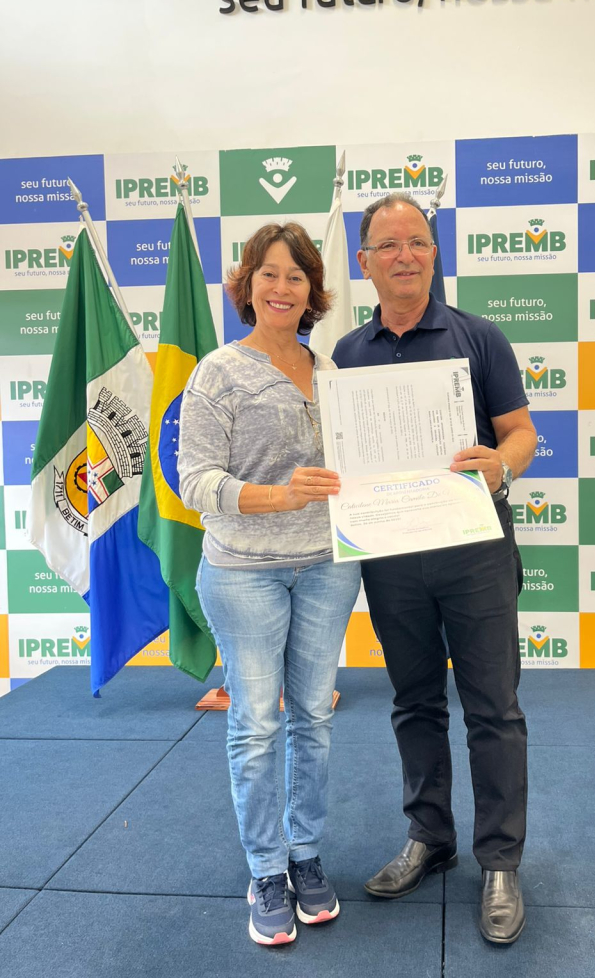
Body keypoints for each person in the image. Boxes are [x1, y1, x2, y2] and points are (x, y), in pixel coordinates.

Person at [333, 193, 537, 945]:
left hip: (475, 552)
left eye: (417, 242)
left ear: (434, 252)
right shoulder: (345, 355)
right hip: (391, 558)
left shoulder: (479, 337)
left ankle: (500, 862)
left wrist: (500, 466)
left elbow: (521, 433)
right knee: (414, 703)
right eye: (389, 245)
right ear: (365, 262)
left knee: (493, 708)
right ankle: (430, 836)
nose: (405, 256)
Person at [178, 222, 361, 947]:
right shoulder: (218, 371)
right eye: (269, 274)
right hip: (242, 572)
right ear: (247, 286)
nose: (282, 288)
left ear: (313, 290)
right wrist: (279, 496)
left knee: (313, 716)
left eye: (296, 276)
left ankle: (305, 855)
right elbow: (194, 481)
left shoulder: (334, 374)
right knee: (256, 724)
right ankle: (264, 870)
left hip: (328, 566)